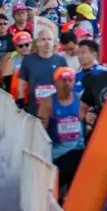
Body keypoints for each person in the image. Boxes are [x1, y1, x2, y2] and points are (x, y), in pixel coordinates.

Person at [36, 65, 86, 200]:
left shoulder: (80, 101)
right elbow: (41, 129)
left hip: (77, 150)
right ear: (56, 82)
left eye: (70, 80)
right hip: (57, 153)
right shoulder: (48, 102)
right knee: (55, 190)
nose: (67, 84)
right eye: (63, 80)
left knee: (74, 188)